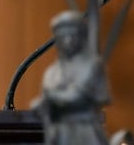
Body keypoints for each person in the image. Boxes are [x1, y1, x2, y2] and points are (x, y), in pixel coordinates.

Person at [32, 10, 111, 145]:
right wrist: (41, 105)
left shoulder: (91, 66)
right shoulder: (52, 72)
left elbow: (77, 96)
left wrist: (52, 98)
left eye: (73, 35)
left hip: (85, 130)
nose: (68, 41)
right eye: (63, 36)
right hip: (60, 132)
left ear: (81, 37)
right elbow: (46, 97)